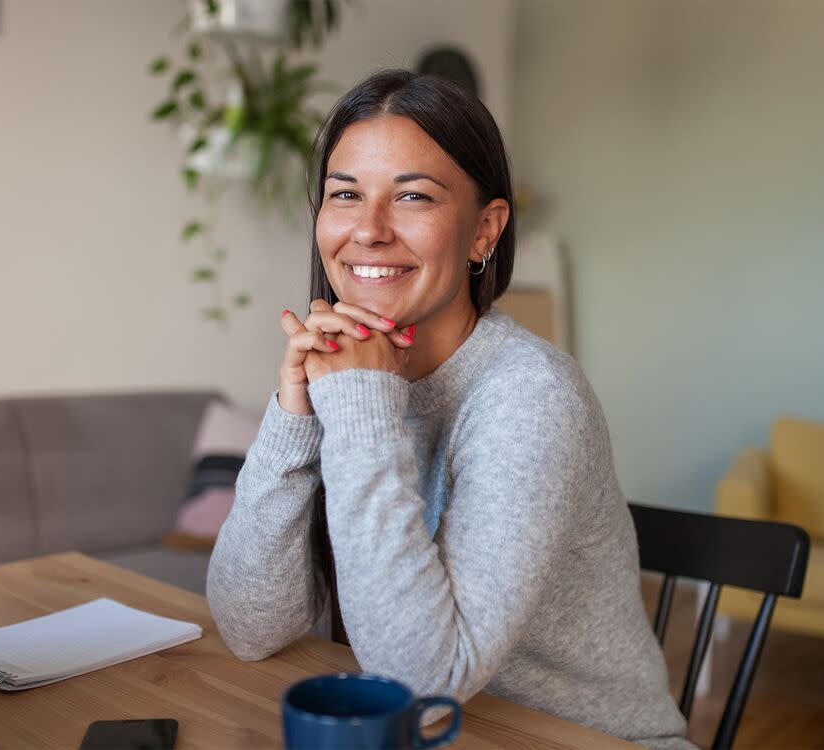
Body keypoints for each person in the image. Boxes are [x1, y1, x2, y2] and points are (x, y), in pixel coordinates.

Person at [207, 69, 693, 750]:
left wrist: (361, 410)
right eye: (345, 194)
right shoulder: (351, 379)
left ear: (483, 231)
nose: (369, 230)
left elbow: (420, 689)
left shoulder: (530, 395)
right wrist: (293, 418)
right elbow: (251, 626)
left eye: (412, 196)